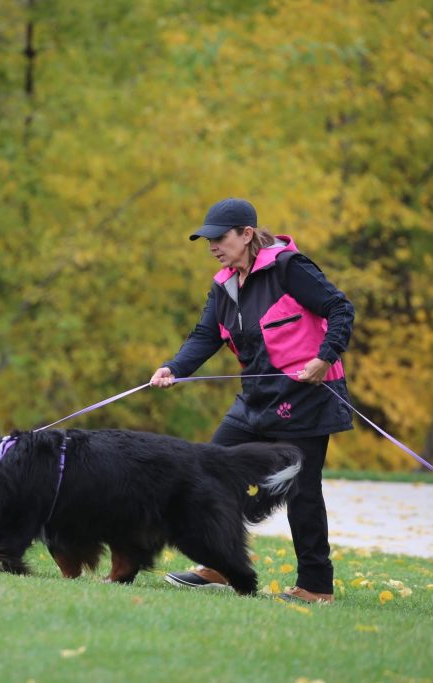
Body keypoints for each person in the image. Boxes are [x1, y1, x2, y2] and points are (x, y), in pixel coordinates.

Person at [150, 197, 354, 604]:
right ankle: (220, 565)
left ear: (246, 234)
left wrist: (324, 358)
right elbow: (206, 335)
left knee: (302, 491)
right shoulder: (224, 284)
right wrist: (174, 368)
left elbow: (340, 308)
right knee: (208, 471)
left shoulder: (289, 269)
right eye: (207, 240)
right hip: (255, 400)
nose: (212, 246)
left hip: (307, 398)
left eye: (219, 238)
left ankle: (316, 585)